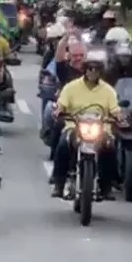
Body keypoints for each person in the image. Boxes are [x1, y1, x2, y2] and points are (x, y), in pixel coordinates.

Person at [50, 49, 121, 200]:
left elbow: (115, 110)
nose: (93, 72)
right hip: (74, 127)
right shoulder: (71, 87)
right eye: (90, 68)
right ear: (84, 69)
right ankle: (59, 183)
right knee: (63, 145)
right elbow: (61, 104)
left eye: (96, 68)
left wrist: (119, 117)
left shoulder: (108, 90)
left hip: (101, 130)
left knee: (110, 147)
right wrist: (59, 111)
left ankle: (107, 186)